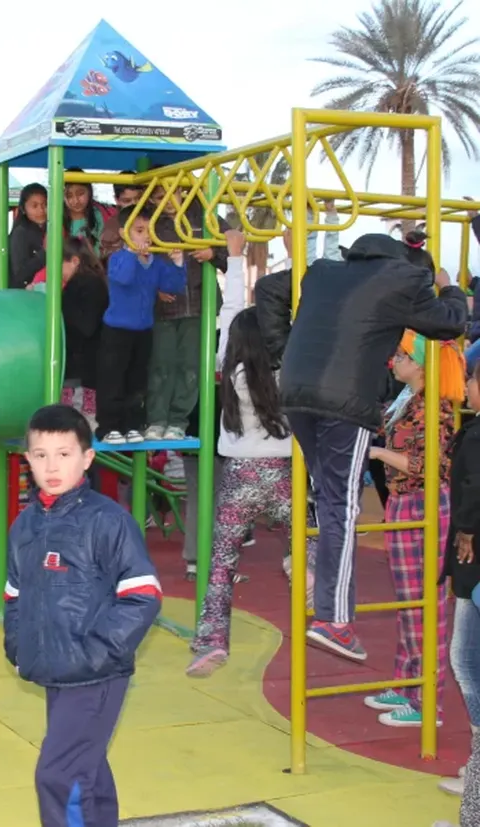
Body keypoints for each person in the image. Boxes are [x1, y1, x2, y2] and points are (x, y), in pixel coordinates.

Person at [255, 232, 468, 661]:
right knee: (343, 506)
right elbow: (451, 323)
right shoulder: (402, 279)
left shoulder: (323, 271)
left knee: (332, 499)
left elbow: (268, 288)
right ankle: (335, 619)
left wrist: (284, 347)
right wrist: (449, 287)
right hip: (346, 404)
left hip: (296, 394)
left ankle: (330, 602)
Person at [3, 404, 161, 827]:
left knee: (60, 775)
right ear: (28, 460)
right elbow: (14, 594)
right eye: (41, 455)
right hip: (54, 667)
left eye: (64, 453)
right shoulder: (25, 525)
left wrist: (95, 652)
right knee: (86, 767)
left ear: (87, 458)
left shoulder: (107, 521)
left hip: (95, 675)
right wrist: (20, 647)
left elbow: (142, 594)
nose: (51, 466)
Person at [188, 231, 310, 676]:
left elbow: (233, 311)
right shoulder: (290, 365)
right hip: (283, 472)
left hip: (241, 474)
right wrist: (303, 251)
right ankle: (305, 568)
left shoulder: (230, 366)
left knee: (220, 564)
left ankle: (212, 640)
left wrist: (235, 258)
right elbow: (309, 314)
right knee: (311, 535)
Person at [364, 331, 461, 726]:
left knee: (426, 604)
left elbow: (431, 465)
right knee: (409, 601)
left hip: (423, 501)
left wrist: (377, 452)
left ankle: (426, 700)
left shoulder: (430, 406)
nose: (395, 361)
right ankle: (408, 682)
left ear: (422, 365)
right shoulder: (409, 400)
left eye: (403, 356)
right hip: (405, 500)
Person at [95, 205, 186, 445]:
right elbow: (123, 278)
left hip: (143, 330)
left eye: (149, 230)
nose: (146, 236)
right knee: (113, 379)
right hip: (116, 330)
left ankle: (132, 424)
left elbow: (172, 285)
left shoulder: (156, 262)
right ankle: (109, 427)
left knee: (137, 380)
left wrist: (178, 263)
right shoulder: (118, 258)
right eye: (139, 230)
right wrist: (134, 255)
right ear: (125, 233)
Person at [145, 186, 229, 442]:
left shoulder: (203, 215)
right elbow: (136, 259)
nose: (168, 201)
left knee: (191, 367)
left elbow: (234, 242)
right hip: (165, 307)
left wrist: (213, 253)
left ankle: (179, 421)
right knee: (161, 365)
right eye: (160, 197)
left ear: (184, 192)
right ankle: (157, 419)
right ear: (151, 199)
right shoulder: (149, 221)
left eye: (173, 193)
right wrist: (153, 288)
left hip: (198, 305)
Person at [437, 358, 480, 800]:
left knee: (466, 660)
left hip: (476, 560)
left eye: (471, 378)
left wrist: (466, 530)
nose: (466, 385)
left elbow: (473, 485)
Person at [57, 237, 109, 430]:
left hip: (82, 368)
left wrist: (60, 306)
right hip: (85, 367)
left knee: (76, 424)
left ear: (74, 261)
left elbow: (85, 326)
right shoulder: (93, 282)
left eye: (59, 263)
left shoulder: (85, 285)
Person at [8, 183, 48, 289]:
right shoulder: (20, 233)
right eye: (34, 206)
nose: (41, 210)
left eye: (45, 205)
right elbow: (20, 273)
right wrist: (45, 253)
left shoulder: (52, 229)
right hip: (24, 294)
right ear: (23, 209)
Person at [99, 173, 145, 262]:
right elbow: (108, 261)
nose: (133, 204)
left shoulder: (151, 218)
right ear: (117, 200)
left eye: (138, 199)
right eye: (127, 201)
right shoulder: (112, 228)